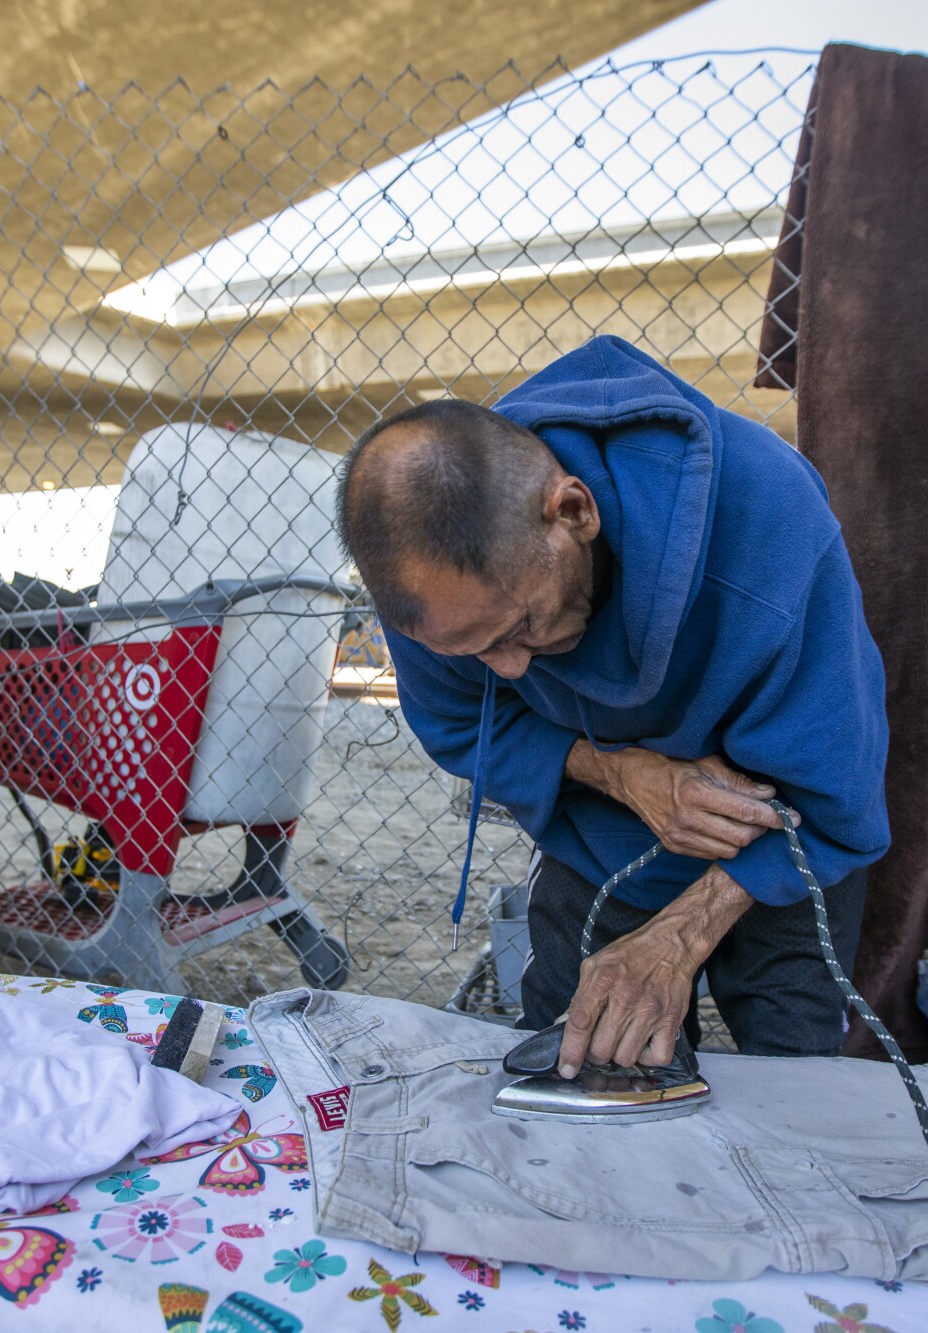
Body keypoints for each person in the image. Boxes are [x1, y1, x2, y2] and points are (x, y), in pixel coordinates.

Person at [334, 335, 889, 1078]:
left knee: (794, 1088)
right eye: (473, 652)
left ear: (573, 512)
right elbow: (463, 722)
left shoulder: (773, 526)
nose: (509, 668)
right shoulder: (437, 591)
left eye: (519, 627)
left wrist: (675, 944)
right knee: (574, 1082)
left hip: (780, 843)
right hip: (602, 839)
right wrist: (624, 774)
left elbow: (838, 804)